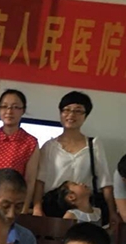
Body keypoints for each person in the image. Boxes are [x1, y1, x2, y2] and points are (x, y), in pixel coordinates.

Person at [33, 91, 117, 225]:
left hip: (84, 209)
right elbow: (40, 181)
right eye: (66, 110)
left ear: (85, 116)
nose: (71, 115)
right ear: (60, 113)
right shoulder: (49, 146)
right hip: (53, 208)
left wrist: (112, 212)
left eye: (78, 111)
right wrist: (37, 207)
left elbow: (105, 182)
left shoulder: (94, 144)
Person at [0, 89, 39, 210]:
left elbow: (29, 181)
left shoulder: (30, 143)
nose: (9, 111)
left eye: (15, 107)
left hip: (10, 206)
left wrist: (23, 209)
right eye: (4, 106)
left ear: (23, 110)